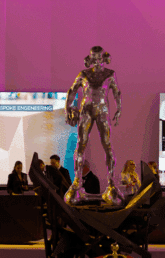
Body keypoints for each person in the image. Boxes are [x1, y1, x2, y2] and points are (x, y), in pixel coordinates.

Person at [64, 46, 123, 205]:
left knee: (107, 145)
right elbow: (72, 90)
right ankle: (77, 181)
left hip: (102, 110)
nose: (97, 61)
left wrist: (119, 108)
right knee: (81, 144)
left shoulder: (109, 74)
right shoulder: (84, 74)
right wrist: (67, 108)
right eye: (94, 59)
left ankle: (110, 181)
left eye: (99, 58)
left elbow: (116, 92)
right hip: (87, 110)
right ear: (90, 59)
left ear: (104, 58)